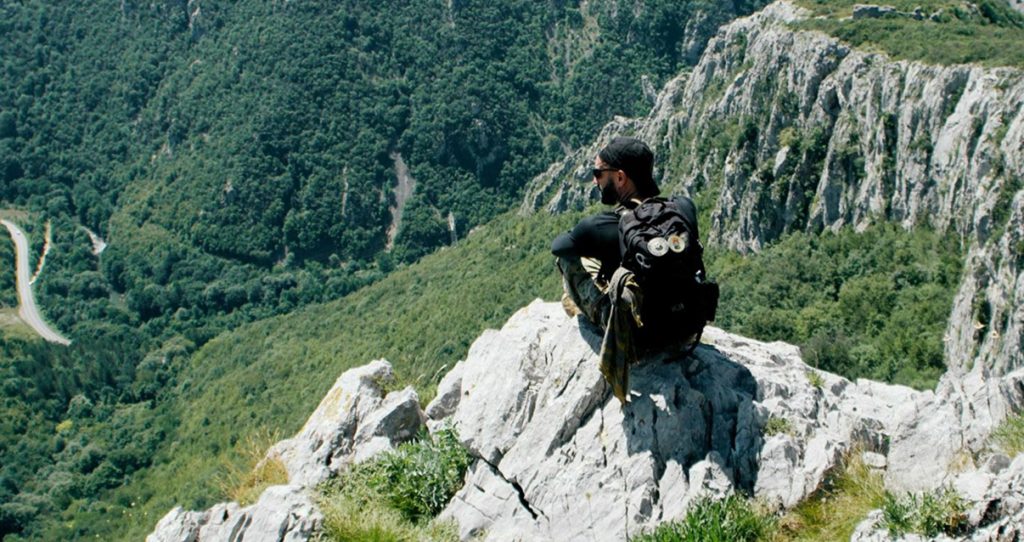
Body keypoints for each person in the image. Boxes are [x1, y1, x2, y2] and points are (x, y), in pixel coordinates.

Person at [551, 136, 705, 403]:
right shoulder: (683, 208)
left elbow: (559, 247)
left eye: (598, 173)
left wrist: (595, 245)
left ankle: (577, 306)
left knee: (568, 262)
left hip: (639, 339)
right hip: (685, 327)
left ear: (620, 178)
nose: (595, 181)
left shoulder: (604, 226)